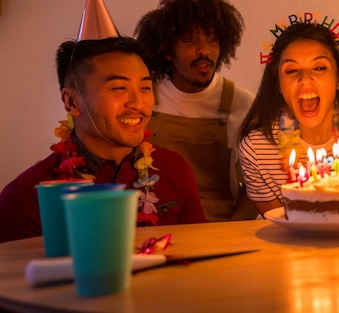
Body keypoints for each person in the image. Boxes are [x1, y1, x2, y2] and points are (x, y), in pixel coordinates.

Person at [0, 36, 206, 243]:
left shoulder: (173, 168)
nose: (138, 104)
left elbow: (200, 254)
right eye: (119, 88)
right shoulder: (27, 197)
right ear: (72, 102)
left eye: (145, 88)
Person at [238, 20, 339, 217]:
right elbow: (281, 225)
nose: (305, 79)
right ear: (277, 82)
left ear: (338, 77)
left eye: (319, 68)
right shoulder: (257, 151)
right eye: (292, 71)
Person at [135, 0, 258, 221]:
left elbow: (257, 185)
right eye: (190, 40)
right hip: (156, 230)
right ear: (167, 50)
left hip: (220, 229)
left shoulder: (242, 105)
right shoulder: (145, 98)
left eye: (212, 40)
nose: (204, 51)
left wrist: (232, 235)